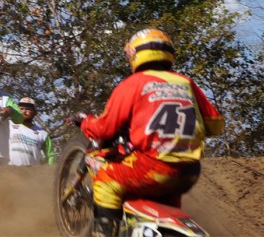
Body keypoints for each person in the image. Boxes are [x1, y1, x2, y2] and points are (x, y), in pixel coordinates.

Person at [71, 28, 224, 237]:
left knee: (105, 177)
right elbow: (216, 126)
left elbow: (103, 129)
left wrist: (85, 121)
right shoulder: (187, 83)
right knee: (162, 198)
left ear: (134, 54)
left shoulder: (134, 83)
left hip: (150, 167)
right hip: (188, 171)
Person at [8, 97, 56, 166]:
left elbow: (50, 156)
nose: (24, 111)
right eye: (21, 109)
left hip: (31, 173)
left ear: (35, 113)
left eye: (28, 109)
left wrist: (49, 171)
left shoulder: (42, 134)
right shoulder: (8, 124)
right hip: (8, 170)